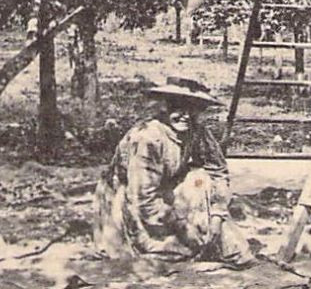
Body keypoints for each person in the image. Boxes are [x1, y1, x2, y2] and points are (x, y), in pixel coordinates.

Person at [95, 76, 256, 267]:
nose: (186, 115)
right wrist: (182, 226)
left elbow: (218, 171)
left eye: (193, 109)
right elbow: (142, 199)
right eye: (178, 107)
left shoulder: (196, 131)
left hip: (165, 191)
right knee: (170, 250)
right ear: (165, 107)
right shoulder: (148, 138)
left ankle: (209, 239)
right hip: (130, 199)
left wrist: (218, 214)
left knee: (200, 178)